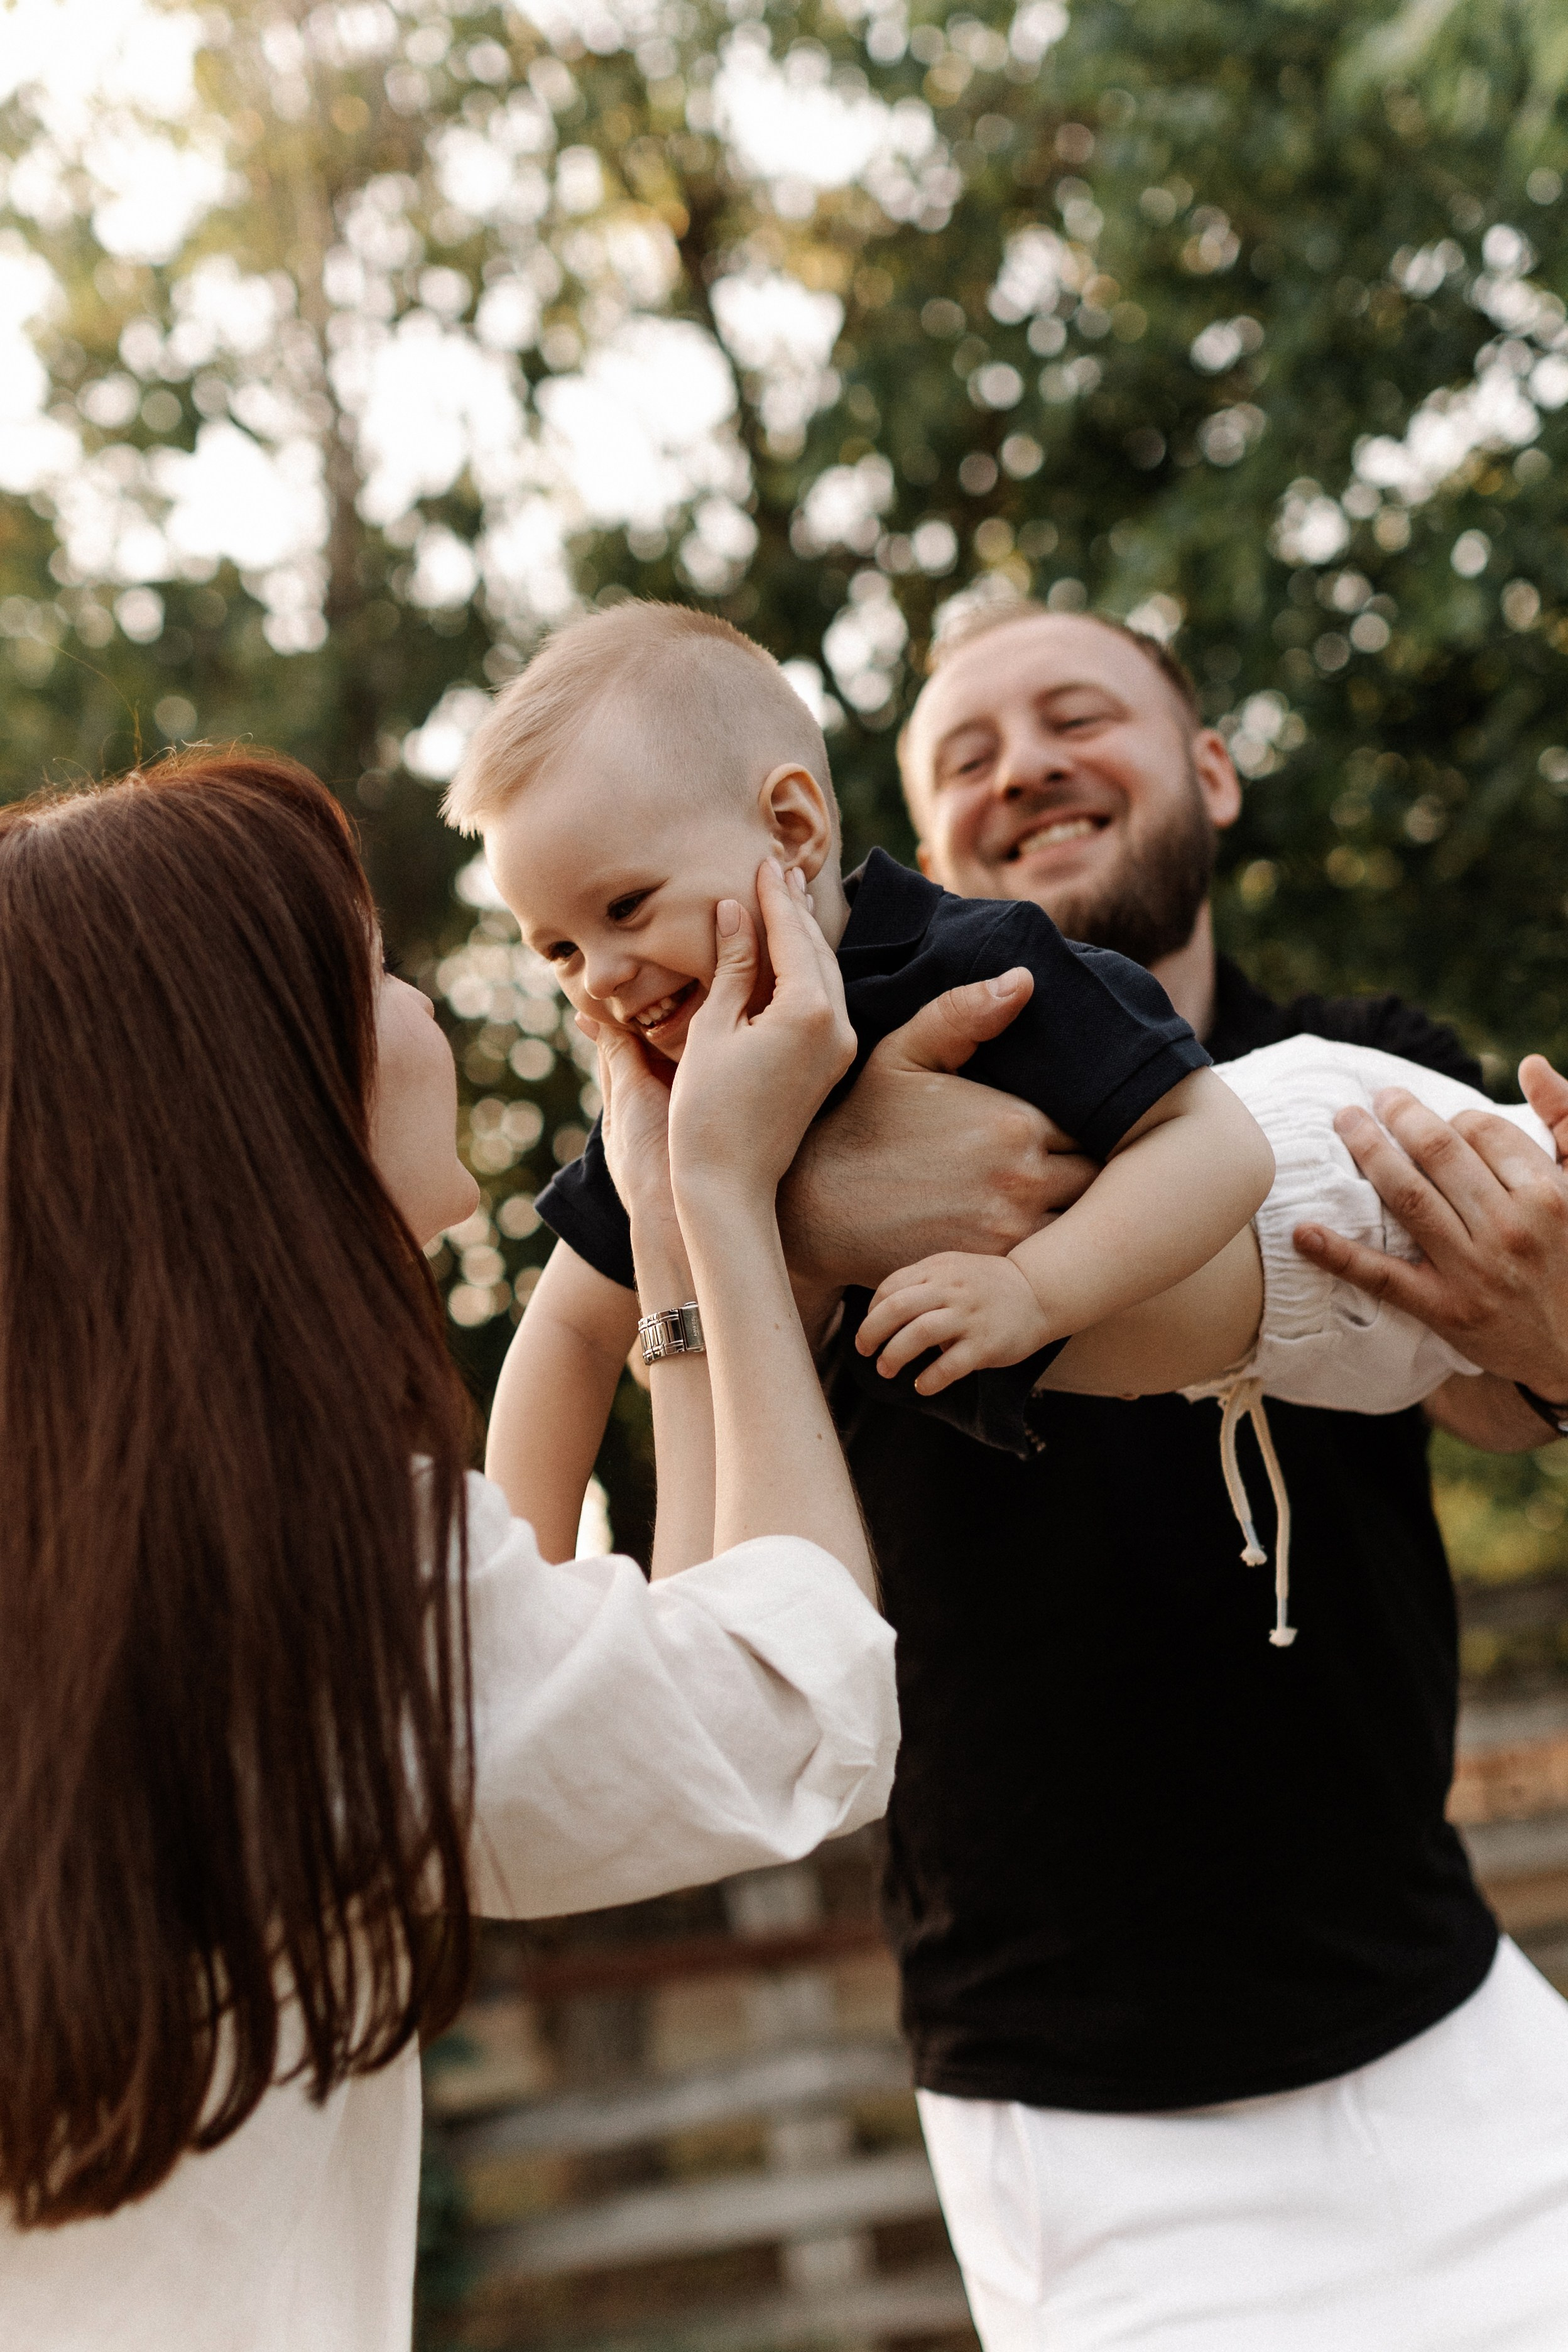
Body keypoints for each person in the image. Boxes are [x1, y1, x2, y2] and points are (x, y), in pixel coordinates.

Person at [0, 751, 897, 2352]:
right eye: (379, 966)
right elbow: (792, 1701)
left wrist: (669, 1252)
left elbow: (675, 1672)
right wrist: (723, 1192)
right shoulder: (297, 1569)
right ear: (265, 1070)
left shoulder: (95, 1539)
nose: (428, 1007)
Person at [788, 601, 1568, 2349]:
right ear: (931, 856)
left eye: (1078, 718)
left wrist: (1560, 1337)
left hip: (1449, 2027)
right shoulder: (839, 1124)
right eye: (968, 757)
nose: (1026, 769)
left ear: (1211, 772)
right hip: (1076, 2118)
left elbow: (1497, 1396)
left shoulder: (1366, 1065)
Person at [445, 601, 1560, 1650]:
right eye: (560, 949)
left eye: (626, 907)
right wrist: (509, 1616)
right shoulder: (680, 1101)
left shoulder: (981, 965)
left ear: (793, 827)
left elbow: (1228, 1146)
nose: (601, 975)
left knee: (1533, 1171)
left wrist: (1032, 1289)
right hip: (969, 1772)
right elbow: (578, 1330)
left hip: (1329, 1179)